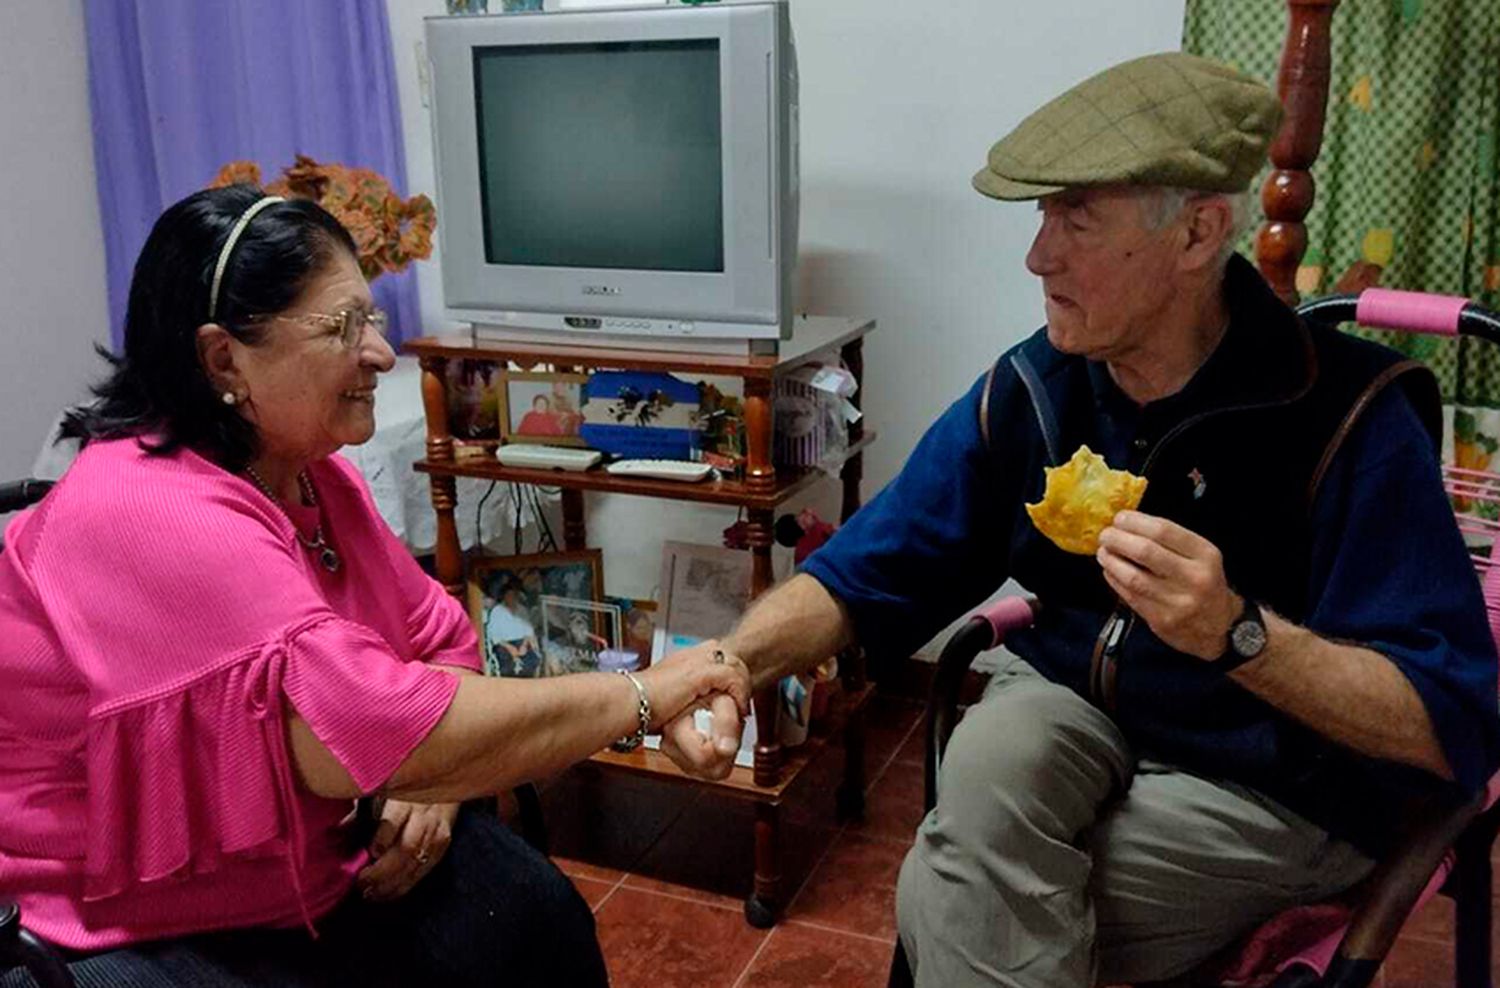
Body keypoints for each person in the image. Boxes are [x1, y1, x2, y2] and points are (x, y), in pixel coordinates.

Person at [658, 53, 1500, 985]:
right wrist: (728, 664)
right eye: (1041, 215)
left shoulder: (1351, 417)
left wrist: (1240, 635)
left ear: (1197, 233)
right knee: (986, 778)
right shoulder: (1038, 387)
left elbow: (1447, 719)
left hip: (1275, 782)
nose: (1037, 255)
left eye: (1077, 219)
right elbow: (868, 566)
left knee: (953, 898)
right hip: (1068, 704)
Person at [0, 185, 749, 986]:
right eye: (342, 328)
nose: (381, 355)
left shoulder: (316, 479)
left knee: (539, 916)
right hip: (135, 918)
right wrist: (646, 694)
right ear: (224, 359)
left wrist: (434, 787)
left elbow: (439, 640)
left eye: (373, 320)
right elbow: (360, 734)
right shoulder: (148, 510)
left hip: (319, 859)